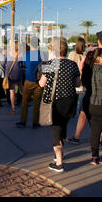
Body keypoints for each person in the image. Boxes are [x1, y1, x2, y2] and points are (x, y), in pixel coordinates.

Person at [39, 39, 81, 173]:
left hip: (55, 102)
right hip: (70, 100)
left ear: (53, 50)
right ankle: (59, 153)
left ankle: (59, 162)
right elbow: (78, 83)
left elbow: (41, 84)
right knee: (63, 125)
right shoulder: (73, 65)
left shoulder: (50, 64)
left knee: (56, 130)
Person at [16, 36, 43, 129]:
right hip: (39, 82)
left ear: (30, 44)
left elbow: (24, 66)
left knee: (25, 102)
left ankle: (23, 122)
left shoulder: (26, 55)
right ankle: (35, 123)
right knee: (37, 103)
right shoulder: (42, 54)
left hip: (28, 80)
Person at [66, 37, 88, 144]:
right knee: (82, 106)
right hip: (82, 83)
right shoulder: (85, 56)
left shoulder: (71, 55)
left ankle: (73, 113)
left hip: (73, 83)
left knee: (76, 102)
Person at [5, 41, 23, 113]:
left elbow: (4, 62)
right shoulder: (20, 54)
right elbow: (22, 64)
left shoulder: (8, 54)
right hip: (18, 72)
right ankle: (24, 102)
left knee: (11, 91)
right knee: (21, 88)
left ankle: (13, 108)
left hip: (10, 73)